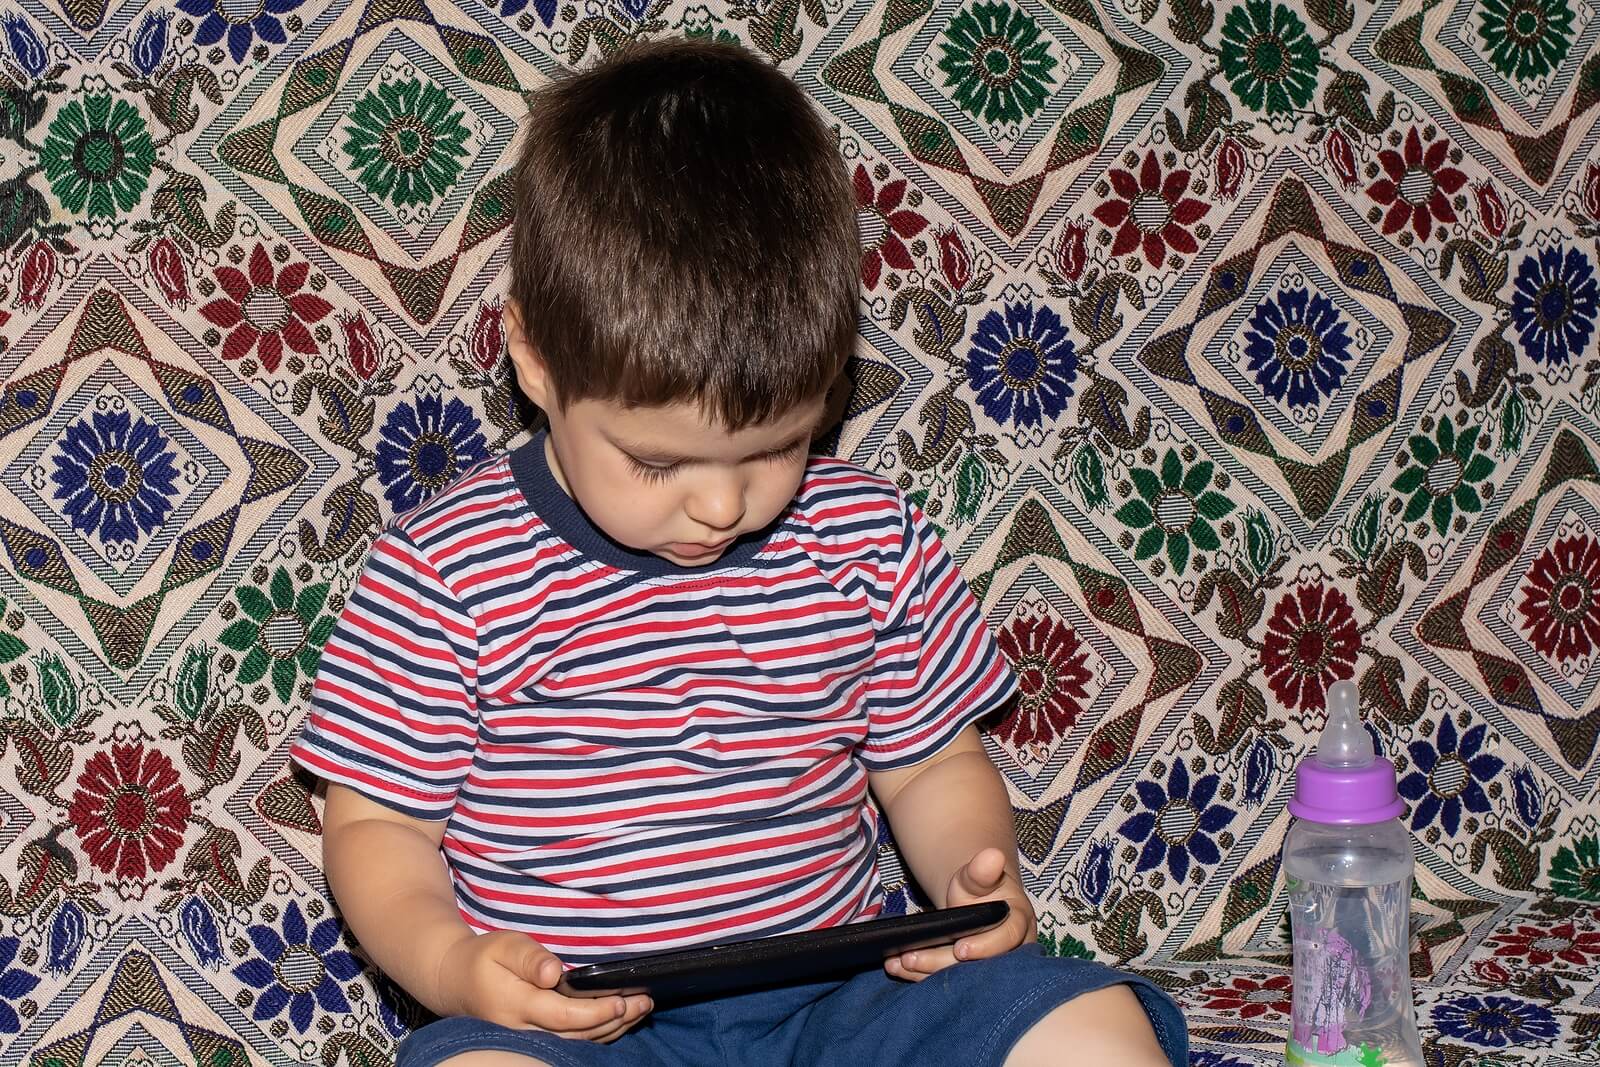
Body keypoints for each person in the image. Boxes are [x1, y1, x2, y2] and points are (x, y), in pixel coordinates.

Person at [289, 34, 1187, 1067]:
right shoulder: (443, 574)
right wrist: (455, 963)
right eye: (659, 463)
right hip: (579, 1032)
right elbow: (377, 831)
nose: (721, 503)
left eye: (777, 447)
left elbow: (932, 762)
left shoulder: (867, 539)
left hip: (841, 1005)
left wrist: (966, 885)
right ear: (534, 359)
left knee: (1090, 1023)